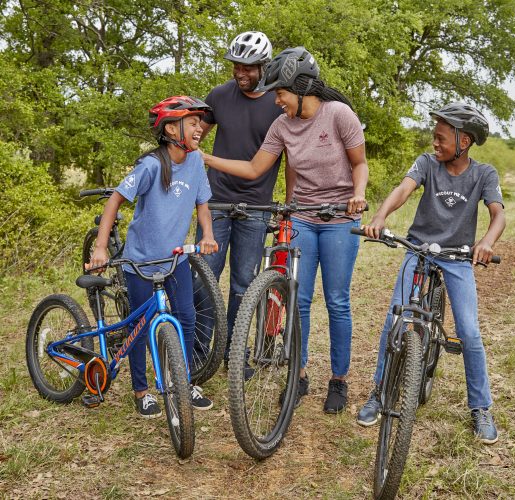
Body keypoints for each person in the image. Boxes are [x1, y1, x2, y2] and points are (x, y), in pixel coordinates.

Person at [202, 46, 368, 414]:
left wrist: (357, 195)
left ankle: (338, 380)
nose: (275, 100)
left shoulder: (339, 114)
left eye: (280, 92)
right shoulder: (282, 125)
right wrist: (208, 158)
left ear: (302, 88)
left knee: (337, 300)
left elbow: (360, 164)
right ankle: (300, 374)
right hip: (304, 217)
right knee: (300, 300)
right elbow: (254, 169)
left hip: (340, 218)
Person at [356, 102, 505, 444]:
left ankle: (480, 408)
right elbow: (403, 190)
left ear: (463, 141)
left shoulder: (484, 174)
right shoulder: (426, 164)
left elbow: (498, 215)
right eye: (433, 136)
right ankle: (379, 392)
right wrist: (380, 217)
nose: (434, 143)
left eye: (441, 138)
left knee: (468, 330)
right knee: (396, 319)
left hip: (457, 258)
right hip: (419, 249)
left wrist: (487, 242)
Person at [88, 96, 219, 418]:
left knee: (186, 319)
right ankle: (142, 391)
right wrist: (101, 247)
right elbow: (114, 201)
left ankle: (183, 382)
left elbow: (202, 203)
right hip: (140, 261)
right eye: (192, 122)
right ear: (171, 129)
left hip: (176, 259)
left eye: (199, 122)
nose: (199, 127)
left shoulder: (195, 163)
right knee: (140, 327)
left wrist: (208, 235)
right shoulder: (151, 165)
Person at [194, 31, 284, 377]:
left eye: (248, 67)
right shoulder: (217, 96)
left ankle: (234, 353)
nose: (240, 73)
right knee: (203, 277)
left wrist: (286, 203)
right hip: (215, 202)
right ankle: (200, 352)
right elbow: (195, 136)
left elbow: (289, 154)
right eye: (236, 66)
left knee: (243, 284)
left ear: (264, 66)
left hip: (256, 207)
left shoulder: (278, 101)